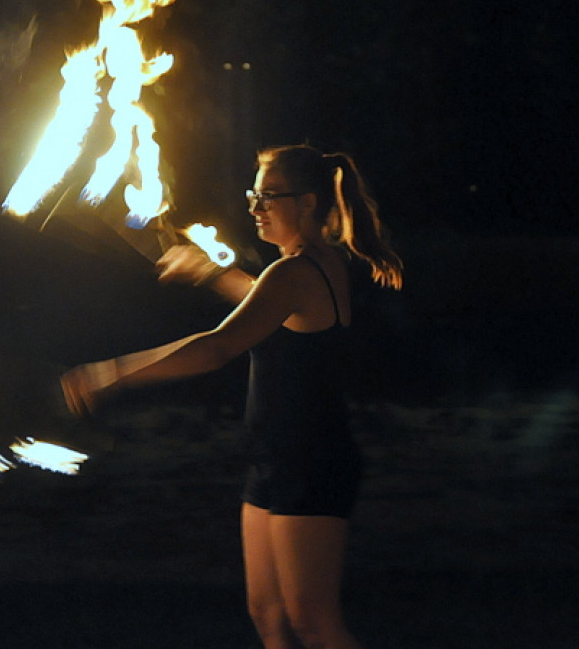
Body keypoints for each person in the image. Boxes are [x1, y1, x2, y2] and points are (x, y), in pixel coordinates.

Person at [61, 144, 403, 649]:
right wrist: (207, 272)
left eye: (268, 196)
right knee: (267, 614)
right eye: (253, 194)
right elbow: (263, 302)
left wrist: (113, 374)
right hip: (276, 459)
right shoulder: (301, 269)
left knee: (314, 623)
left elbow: (218, 346)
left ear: (306, 203)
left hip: (312, 461)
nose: (254, 207)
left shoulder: (296, 272)